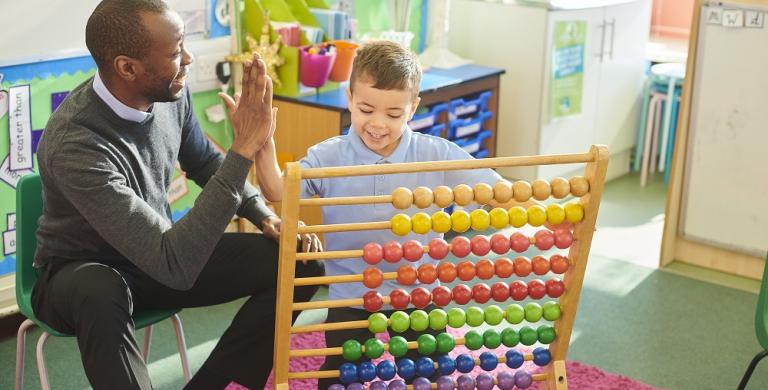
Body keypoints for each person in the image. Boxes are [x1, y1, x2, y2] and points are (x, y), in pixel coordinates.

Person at [32, 1, 322, 389]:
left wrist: (262, 213)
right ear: (127, 67)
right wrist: (242, 152)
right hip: (80, 274)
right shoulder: (75, 143)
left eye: (184, 44)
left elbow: (202, 161)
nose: (187, 58)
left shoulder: (170, 94)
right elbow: (176, 264)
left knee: (299, 261)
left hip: (158, 257)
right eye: (174, 53)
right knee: (100, 289)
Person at [254, 41, 524, 389]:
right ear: (350, 98)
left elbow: (498, 191)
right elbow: (278, 192)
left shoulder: (435, 153)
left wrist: (550, 213)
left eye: (394, 115)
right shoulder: (328, 157)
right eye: (366, 109)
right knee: (342, 374)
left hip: (419, 293)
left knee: (428, 375)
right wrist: (264, 144)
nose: (378, 124)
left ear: (413, 109)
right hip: (351, 295)